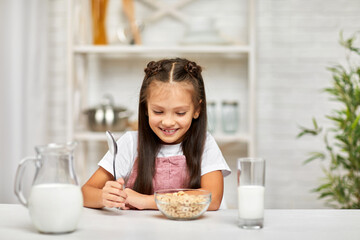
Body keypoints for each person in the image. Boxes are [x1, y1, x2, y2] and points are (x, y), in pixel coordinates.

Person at [82, 58, 231, 210]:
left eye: (180, 113)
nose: (168, 122)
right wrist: (104, 197)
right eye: (158, 111)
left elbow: (212, 199)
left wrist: (145, 201)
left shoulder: (205, 144)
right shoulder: (130, 144)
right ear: (145, 107)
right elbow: (85, 193)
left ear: (197, 110)